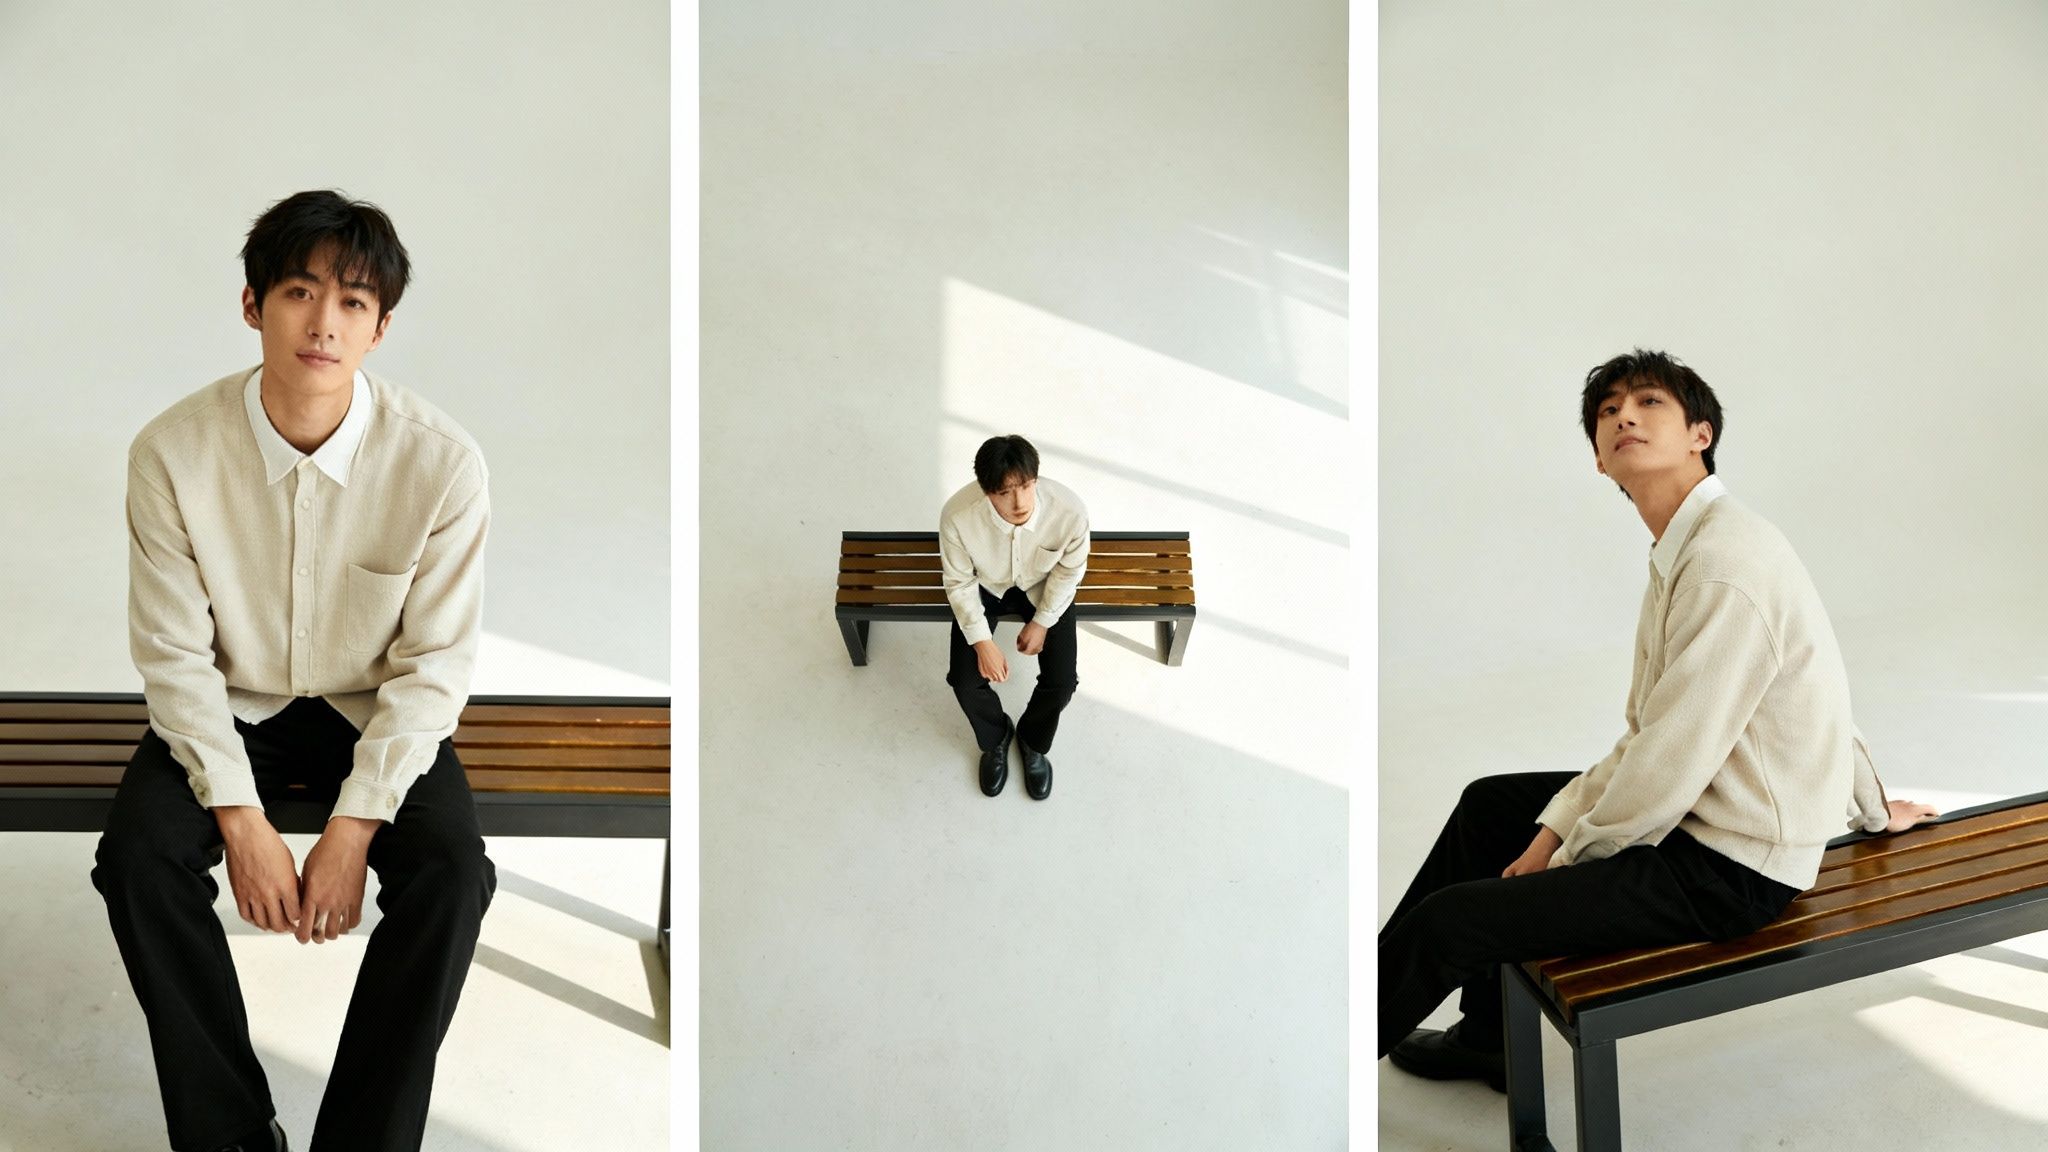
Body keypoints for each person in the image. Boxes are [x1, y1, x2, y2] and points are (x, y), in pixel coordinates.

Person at [1378, 349, 1939, 1090]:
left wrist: (1566, 858)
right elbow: (1669, 729)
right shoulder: (1690, 547)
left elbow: (1668, 762)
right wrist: (1549, 831)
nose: (1624, 418)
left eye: (1648, 404)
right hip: (1703, 822)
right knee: (1494, 807)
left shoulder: (1723, 564)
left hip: (1729, 870)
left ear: (1700, 434)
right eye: (1608, 413)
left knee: (1453, 923)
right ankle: (1489, 1039)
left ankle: (1319, 1071)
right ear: (1602, 462)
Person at [91, 190, 495, 1152]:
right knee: (137, 863)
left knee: (451, 874)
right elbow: (174, 656)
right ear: (252, 305)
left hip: (374, 709)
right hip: (232, 708)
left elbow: (437, 664)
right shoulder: (173, 453)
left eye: (355, 302)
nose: (324, 322)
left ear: (382, 327)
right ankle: (231, 1135)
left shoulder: (442, 463)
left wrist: (353, 826)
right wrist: (241, 819)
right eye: (300, 291)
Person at [938, 435, 1089, 799]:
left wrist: (1042, 622)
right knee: (964, 679)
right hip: (985, 586)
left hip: (1043, 585)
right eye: (1005, 493)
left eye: (1025, 486)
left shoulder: (1069, 511)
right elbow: (959, 583)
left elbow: (1069, 572)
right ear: (987, 491)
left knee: (1063, 680)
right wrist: (983, 642)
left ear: (1036, 479)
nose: (1019, 501)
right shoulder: (958, 516)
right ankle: (996, 737)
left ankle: (1033, 740)